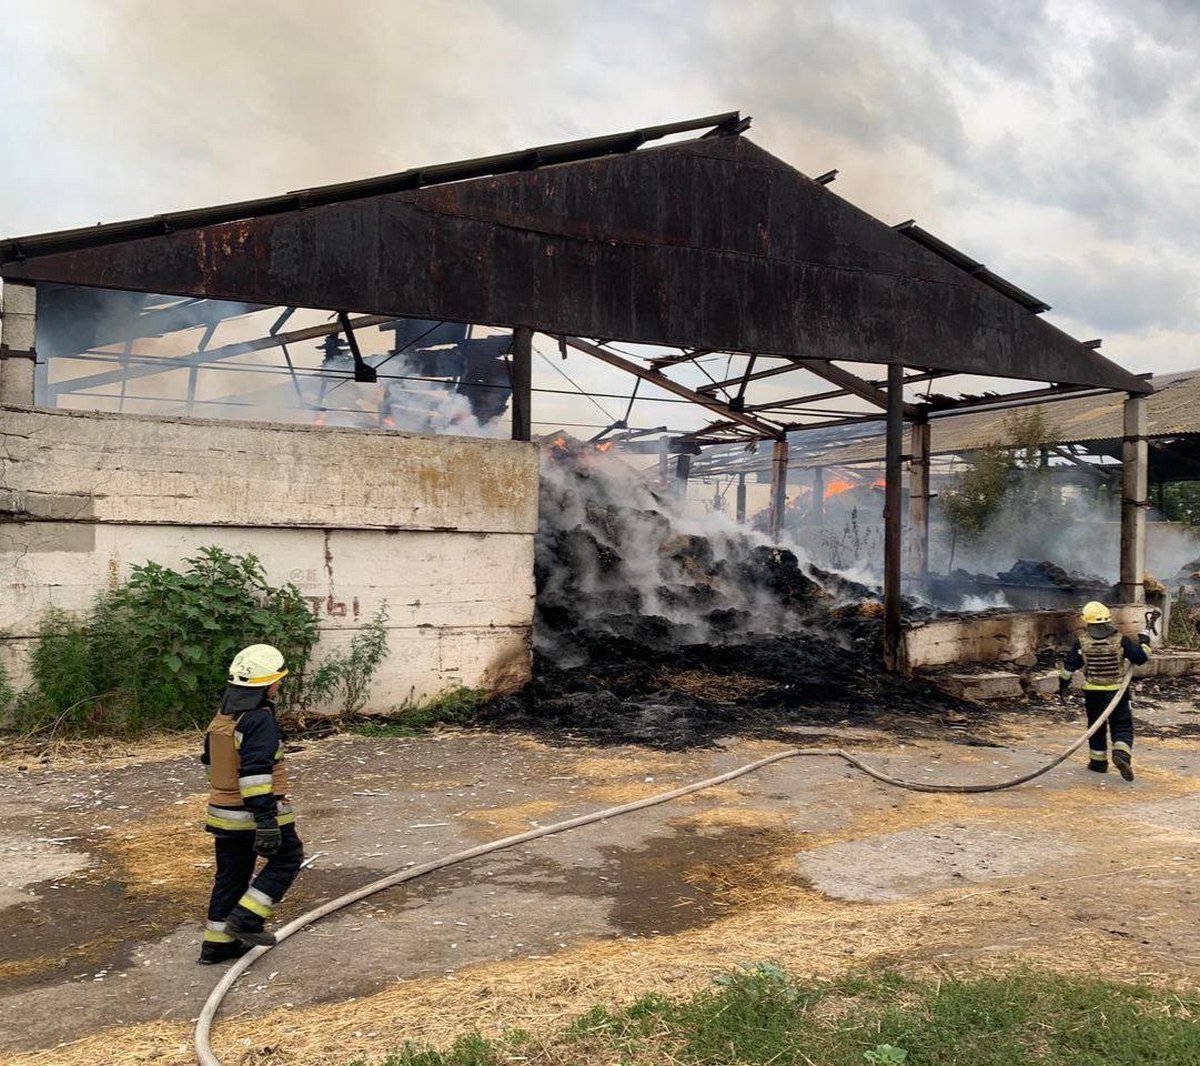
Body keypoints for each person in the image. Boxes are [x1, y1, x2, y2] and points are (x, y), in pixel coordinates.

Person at [198, 644, 304, 964]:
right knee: (288, 857)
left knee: (231, 875)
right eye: (277, 681)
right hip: (253, 813)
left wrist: (226, 800)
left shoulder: (223, 718)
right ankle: (246, 919)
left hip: (223, 814)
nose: (279, 686)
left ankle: (217, 944)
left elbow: (210, 765)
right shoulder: (258, 720)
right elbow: (256, 773)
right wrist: (267, 820)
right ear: (266, 685)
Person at [1058, 601, 1151, 782]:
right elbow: (1141, 658)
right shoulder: (1120, 639)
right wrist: (1144, 642)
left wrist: (1063, 686)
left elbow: (1068, 669)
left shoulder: (1082, 642)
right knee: (1122, 725)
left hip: (1093, 693)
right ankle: (1122, 754)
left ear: (1088, 621)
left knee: (1096, 727)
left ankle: (1098, 763)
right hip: (1117, 692)